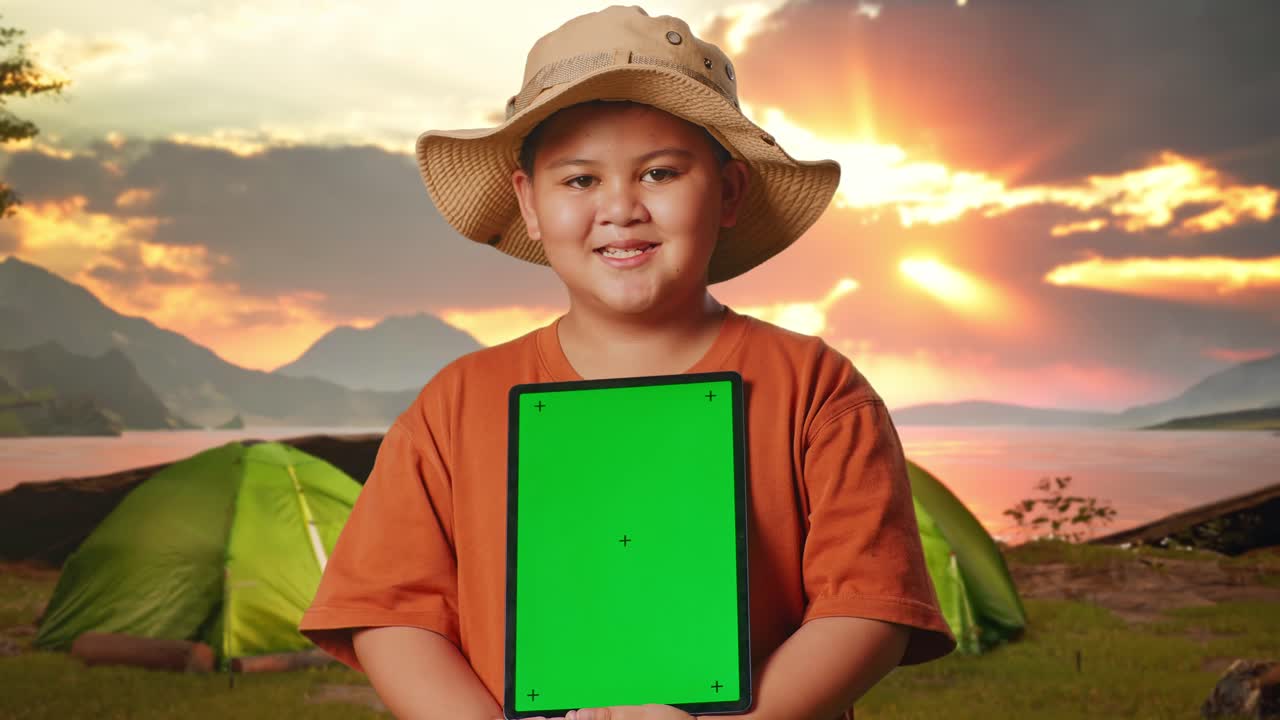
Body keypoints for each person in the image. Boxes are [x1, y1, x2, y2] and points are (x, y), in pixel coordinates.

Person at [298, 6, 956, 720]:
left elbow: (869, 606)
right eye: (580, 180)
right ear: (529, 203)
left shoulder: (817, 388)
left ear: (729, 191)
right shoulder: (455, 404)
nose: (621, 207)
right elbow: (392, 612)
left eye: (660, 173)